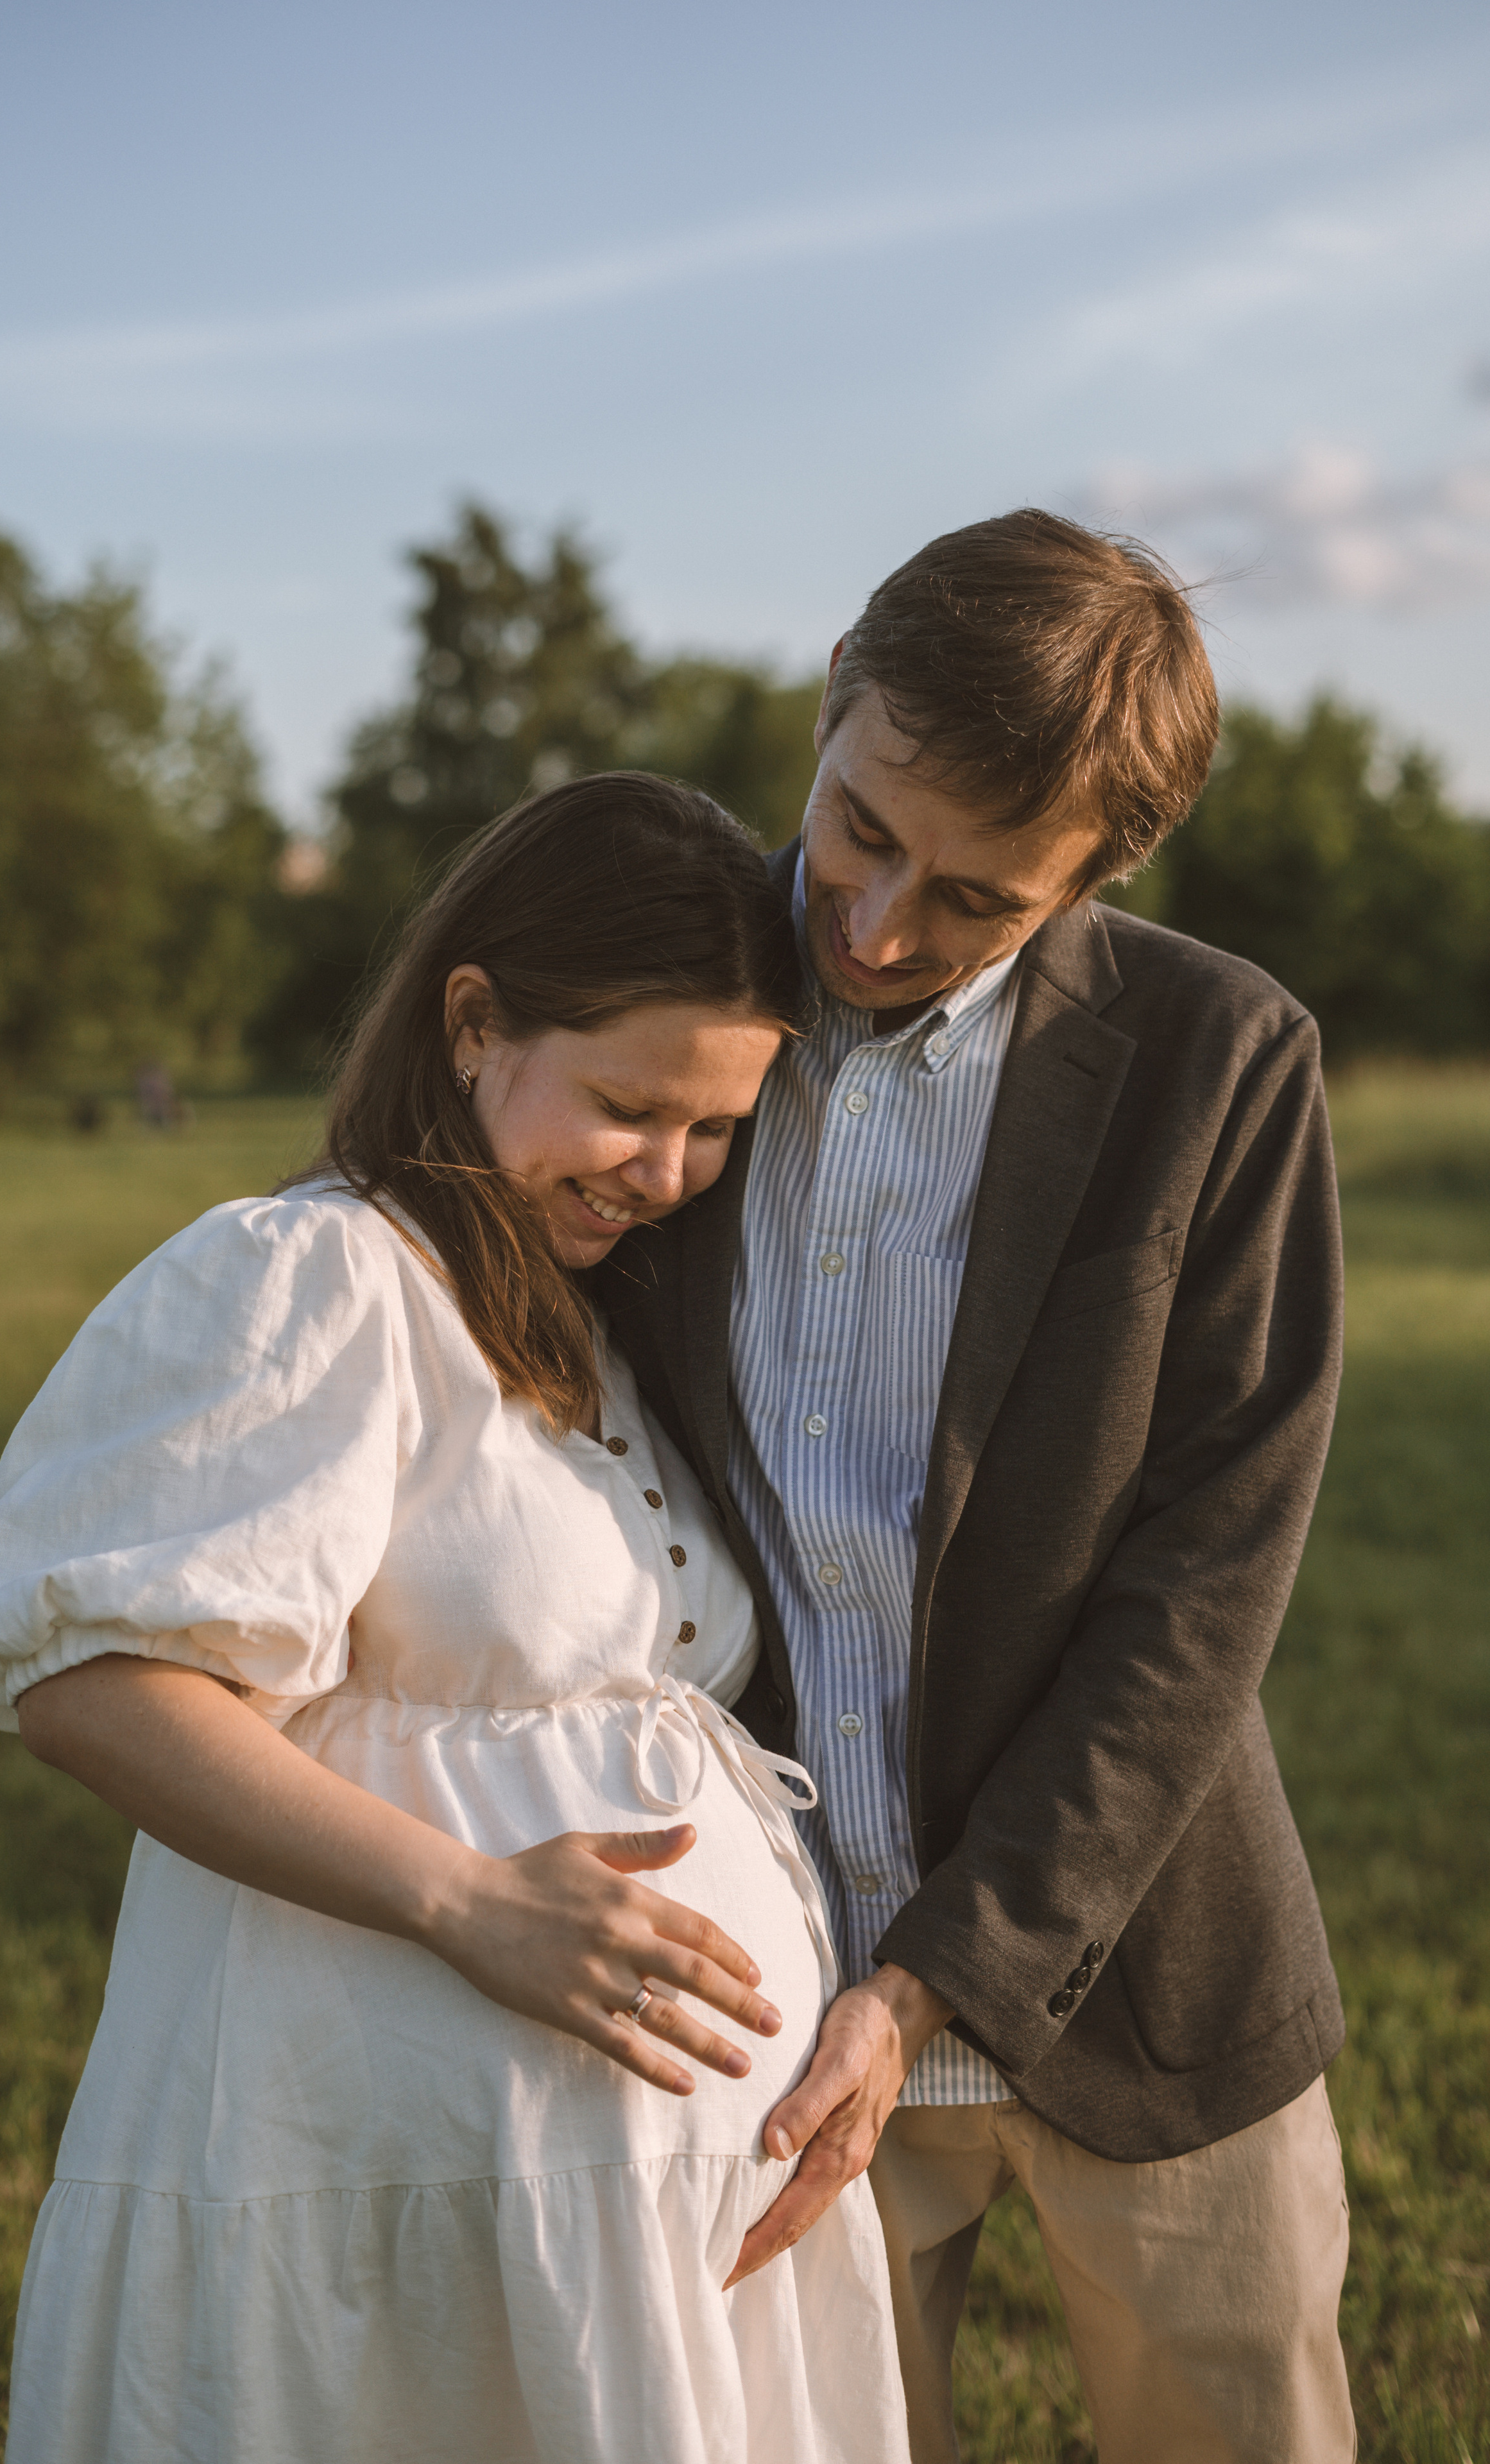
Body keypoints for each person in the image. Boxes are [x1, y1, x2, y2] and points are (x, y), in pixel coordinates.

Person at [0, 774, 910, 2464]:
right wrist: (465, 1900)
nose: (667, 1173)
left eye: (716, 1127)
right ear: (473, 1025)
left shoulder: (583, 1320)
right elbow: (95, 1680)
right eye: (625, 1106)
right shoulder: (316, 1279)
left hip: (618, 2221)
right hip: (377, 2201)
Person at [599, 512, 1358, 2463]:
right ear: (834, 699)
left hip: (1149, 1967)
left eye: (974, 900)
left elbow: (1204, 1586)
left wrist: (946, 1975)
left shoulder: (1223, 1061)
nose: (871, 929)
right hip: (755, 1997)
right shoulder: (660, 1011)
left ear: (1099, 876)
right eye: (859, 830)